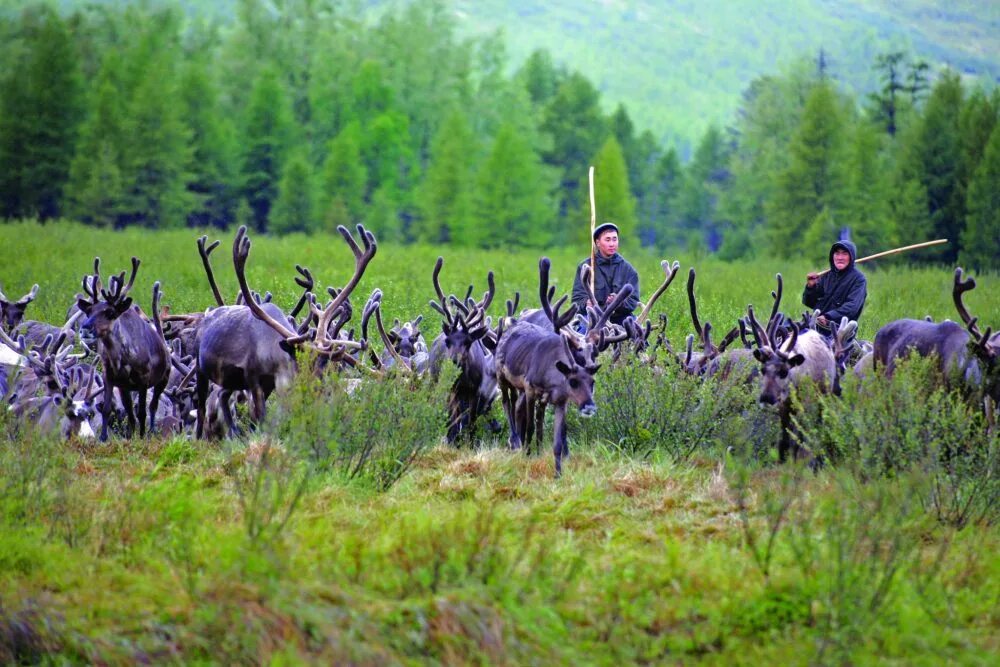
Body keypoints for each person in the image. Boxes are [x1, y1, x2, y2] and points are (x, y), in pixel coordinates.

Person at [571, 222, 640, 327]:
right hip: (593, 317)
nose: (612, 244)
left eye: (614, 239)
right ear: (597, 243)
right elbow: (577, 299)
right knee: (582, 335)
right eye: (607, 240)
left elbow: (633, 302)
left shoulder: (628, 270)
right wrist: (586, 303)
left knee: (637, 333)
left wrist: (618, 302)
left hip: (619, 318)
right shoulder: (585, 267)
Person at [803, 240, 867, 336]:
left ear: (851, 256)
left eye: (845, 254)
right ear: (832, 256)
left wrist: (828, 316)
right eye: (837, 254)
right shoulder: (826, 275)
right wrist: (810, 287)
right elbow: (809, 303)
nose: (840, 258)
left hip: (839, 331)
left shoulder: (859, 279)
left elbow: (852, 307)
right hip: (815, 326)